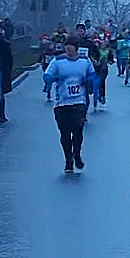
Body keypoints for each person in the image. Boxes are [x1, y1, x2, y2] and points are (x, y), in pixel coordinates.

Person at [43, 36, 98, 173]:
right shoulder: (58, 61)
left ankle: (77, 154)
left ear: (76, 47)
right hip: (61, 102)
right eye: (66, 45)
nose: (68, 48)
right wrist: (51, 79)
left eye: (71, 45)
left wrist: (90, 82)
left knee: (77, 130)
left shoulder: (84, 61)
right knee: (65, 133)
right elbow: (47, 74)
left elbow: (92, 75)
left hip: (78, 102)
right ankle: (68, 159)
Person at [0, 32, 13, 121]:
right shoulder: (6, 45)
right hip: (3, 70)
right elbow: (9, 60)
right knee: (0, 93)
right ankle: (1, 114)